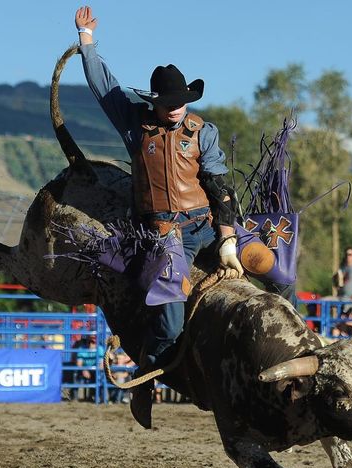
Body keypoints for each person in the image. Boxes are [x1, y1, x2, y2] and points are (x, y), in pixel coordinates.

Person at [74, 6, 244, 428]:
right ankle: (146, 379)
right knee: (168, 319)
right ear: (154, 102)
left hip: (207, 224)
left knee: (275, 267)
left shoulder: (203, 131)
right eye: (167, 103)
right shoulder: (135, 123)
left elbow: (220, 186)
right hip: (166, 235)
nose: (174, 109)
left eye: (180, 102)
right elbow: (104, 86)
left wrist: (227, 238)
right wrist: (87, 41)